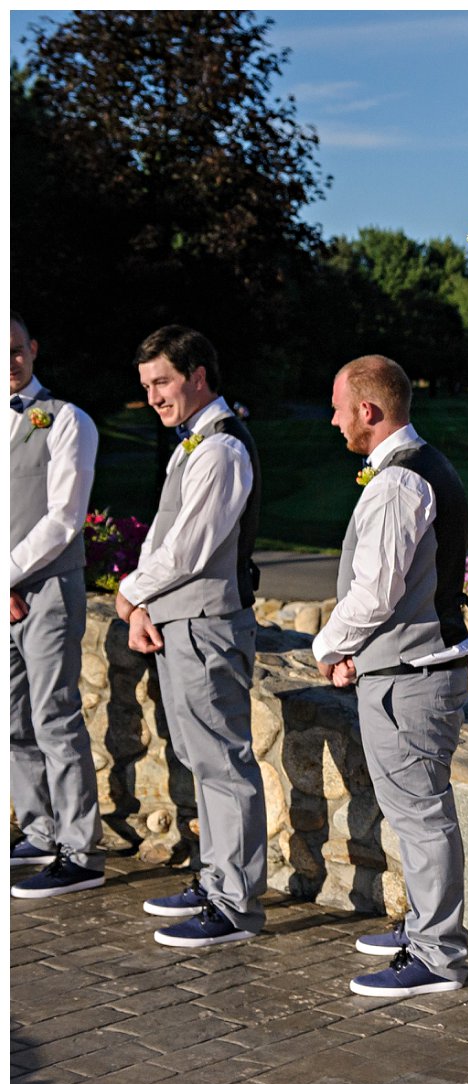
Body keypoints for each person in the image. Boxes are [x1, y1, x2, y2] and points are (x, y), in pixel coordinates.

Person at [313, 354, 468, 998]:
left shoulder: (398, 483)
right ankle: (424, 930)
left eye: (336, 407)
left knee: (420, 813)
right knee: (417, 809)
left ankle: (437, 954)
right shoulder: (421, 466)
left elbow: (375, 591)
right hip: (409, 663)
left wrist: (330, 646)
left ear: (369, 411)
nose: (332, 420)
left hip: (412, 675)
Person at [116, 325, 268, 949]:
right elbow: (162, 538)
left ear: (198, 375)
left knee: (222, 761)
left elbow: (190, 548)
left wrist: (130, 591)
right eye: (147, 384)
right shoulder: (191, 446)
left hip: (208, 623)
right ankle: (216, 880)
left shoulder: (221, 449)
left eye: (162, 381)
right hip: (181, 621)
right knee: (198, 755)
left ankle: (234, 904)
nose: (153, 396)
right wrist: (144, 605)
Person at [9, 316, 106, 898]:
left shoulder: (68, 420)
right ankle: (40, 829)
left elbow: (65, 518)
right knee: (13, 719)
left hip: (46, 591)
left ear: (34, 349)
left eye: (17, 350)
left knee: (54, 715)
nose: (11, 362)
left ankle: (80, 849)